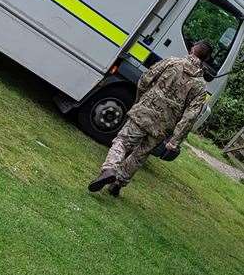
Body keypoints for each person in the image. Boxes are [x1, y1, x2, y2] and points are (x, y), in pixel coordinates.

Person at [88, 41, 212, 196]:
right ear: (205, 59)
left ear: (192, 49)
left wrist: (140, 100)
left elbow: (146, 79)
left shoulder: (171, 62)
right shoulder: (200, 86)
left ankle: (109, 169)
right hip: (164, 125)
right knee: (140, 155)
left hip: (145, 111)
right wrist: (175, 140)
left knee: (123, 141)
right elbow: (191, 115)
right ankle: (117, 185)